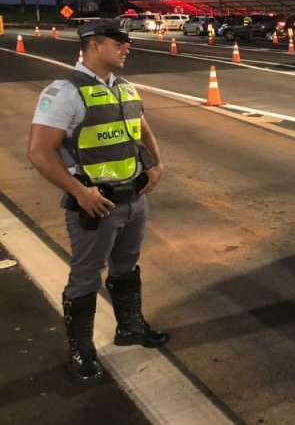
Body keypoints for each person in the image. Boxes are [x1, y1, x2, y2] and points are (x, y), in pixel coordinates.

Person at [27, 19, 169, 381]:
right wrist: (79, 192)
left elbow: (143, 129)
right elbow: (40, 152)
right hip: (96, 205)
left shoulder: (124, 88)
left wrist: (155, 166)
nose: (127, 47)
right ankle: (82, 350)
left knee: (127, 267)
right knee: (86, 276)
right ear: (94, 45)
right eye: (119, 42)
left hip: (134, 198)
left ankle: (130, 327)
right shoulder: (64, 92)